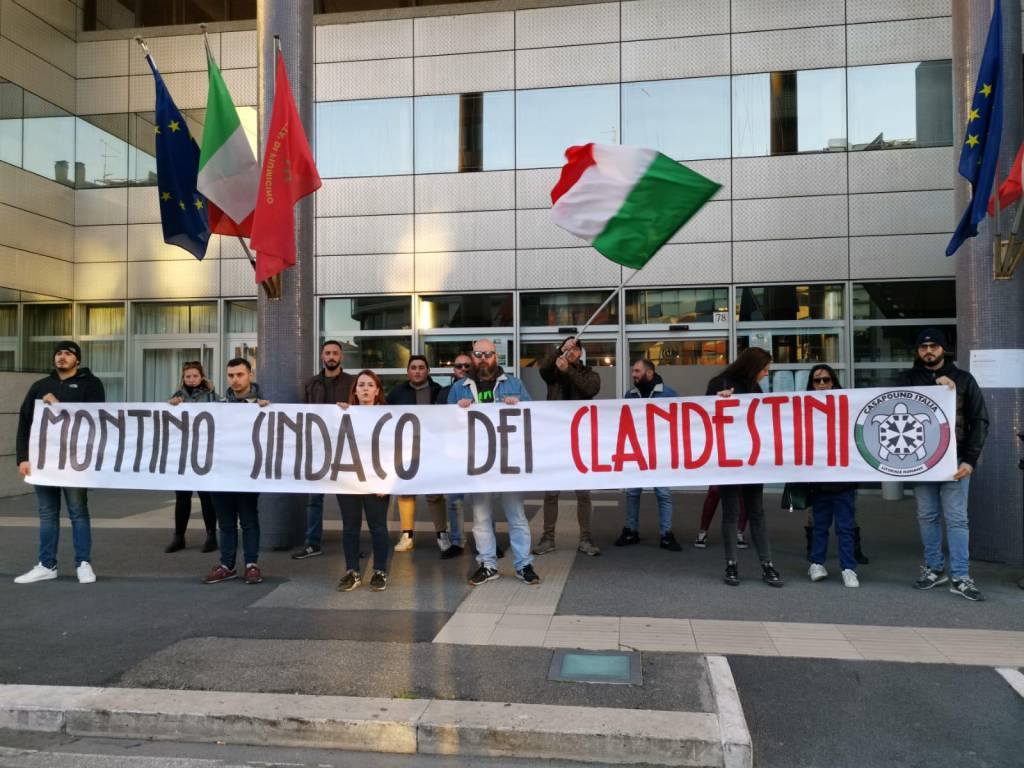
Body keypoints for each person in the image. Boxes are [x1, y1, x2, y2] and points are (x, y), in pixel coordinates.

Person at [899, 328, 989, 601]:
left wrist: (970, 461)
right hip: (921, 461)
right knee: (927, 516)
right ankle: (934, 568)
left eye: (934, 346)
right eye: (923, 346)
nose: (928, 350)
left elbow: (980, 421)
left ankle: (960, 575)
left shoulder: (963, 379)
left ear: (943, 349)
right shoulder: (906, 379)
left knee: (957, 520)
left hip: (955, 461)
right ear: (917, 351)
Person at [449, 339, 540, 587]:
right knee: (480, 518)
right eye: (478, 354)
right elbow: (446, 424)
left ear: (496, 357)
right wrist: (457, 410)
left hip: (508, 462)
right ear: (472, 357)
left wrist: (519, 405)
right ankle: (488, 564)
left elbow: (535, 415)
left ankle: (524, 565)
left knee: (517, 516)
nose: (483, 358)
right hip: (478, 465)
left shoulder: (514, 384)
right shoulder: (459, 388)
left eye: (487, 354)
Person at [14, 341, 105, 585]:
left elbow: (96, 418)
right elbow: (25, 422)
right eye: (58, 353)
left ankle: (83, 564)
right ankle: (46, 564)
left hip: (74, 463)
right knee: (47, 514)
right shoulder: (40, 386)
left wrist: (60, 407)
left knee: (78, 512)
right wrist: (23, 457)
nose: (61, 357)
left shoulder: (91, 384)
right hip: (44, 462)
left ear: (77, 360)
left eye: (68, 353)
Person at [707, 348, 783, 587]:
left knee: (756, 512)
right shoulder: (719, 383)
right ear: (753, 367)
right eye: (764, 369)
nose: (765, 374)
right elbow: (703, 415)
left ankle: (767, 564)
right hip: (729, 458)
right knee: (732, 512)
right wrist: (716, 401)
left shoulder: (753, 386)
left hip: (752, 458)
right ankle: (732, 563)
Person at [203, 358, 270, 586]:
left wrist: (269, 411)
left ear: (250, 375)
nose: (235, 380)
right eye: (230, 375)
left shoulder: (265, 405)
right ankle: (227, 565)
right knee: (226, 523)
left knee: (249, 520)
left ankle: (252, 565)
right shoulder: (218, 403)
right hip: (221, 474)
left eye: (240, 374)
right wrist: (177, 404)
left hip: (247, 474)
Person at [533, 337, 602, 557]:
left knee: (583, 493)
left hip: (580, 440)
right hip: (556, 439)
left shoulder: (590, 374)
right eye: (568, 348)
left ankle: (586, 538)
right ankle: (548, 537)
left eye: (574, 349)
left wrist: (568, 371)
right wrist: (557, 352)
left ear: (580, 353)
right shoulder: (554, 373)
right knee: (551, 492)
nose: (571, 352)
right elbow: (543, 370)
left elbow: (589, 389)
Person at [292, 340, 355, 560]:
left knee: (347, 498)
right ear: (322, 356)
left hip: (344, 448)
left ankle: (352, 541)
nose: (331, 357)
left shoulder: (352, 382)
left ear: (341, 357)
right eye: (327, 353)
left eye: (335, 353)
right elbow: (304, 413)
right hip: (318, 448)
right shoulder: (311, 383)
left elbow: (362, 410)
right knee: (314, 498)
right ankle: (312, 543)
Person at [615, 359, 682, 551]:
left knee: (663, 493)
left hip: (660, 452)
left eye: (637, 371)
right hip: (637, 452)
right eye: (633, 371)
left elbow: (681, 418)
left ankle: (666, 534)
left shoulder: (668, 394)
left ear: (649, 372)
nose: (633, 375)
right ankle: (631, 530)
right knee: (633, 492)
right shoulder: (631, 394)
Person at [804, 364, 860, 588]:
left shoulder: (848, 406)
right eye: (817, 381)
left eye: (826, 380)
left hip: (844, 478)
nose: (822, 385)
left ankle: (848, 568)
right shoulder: (802, 408)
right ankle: (816, 563)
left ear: (834, 382)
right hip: (818, 479)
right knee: (820, 525)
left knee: (845, 527)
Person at [335, 370, 391, 592]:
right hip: (348, 479)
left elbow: (395, 450)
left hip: (377, 480)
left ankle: (379, 571)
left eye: (370, 385)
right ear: (355, 391)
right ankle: (352, 571)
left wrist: (387, 482)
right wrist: (334, 413)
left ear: (377, 390)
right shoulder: (343, 414)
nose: (365, 389)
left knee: (378, 527)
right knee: (350, 527)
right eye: (361, 385)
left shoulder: (388, 415)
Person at [165, 360, 218, 554]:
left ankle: (211, 535)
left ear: (201, 377)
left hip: (204, 452)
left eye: (195, 376)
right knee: (182, 497)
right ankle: (179, 536)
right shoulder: (177, 397)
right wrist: (171, 405)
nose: (192, 379)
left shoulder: (211, 396)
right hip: (183, 453)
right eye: (188, 376)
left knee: (206, 497)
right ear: (183, 378)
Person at [434, 354, 474, 560]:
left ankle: (489, 542)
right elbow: (440, 422)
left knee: (481, 499)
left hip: (479, 453)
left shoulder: (482, 388)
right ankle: (457, 541)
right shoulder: (444, 393)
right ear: (454, 370)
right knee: (454, 501)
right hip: (455, 454)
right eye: (459, 366)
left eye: (468, 366)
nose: (464, 369)